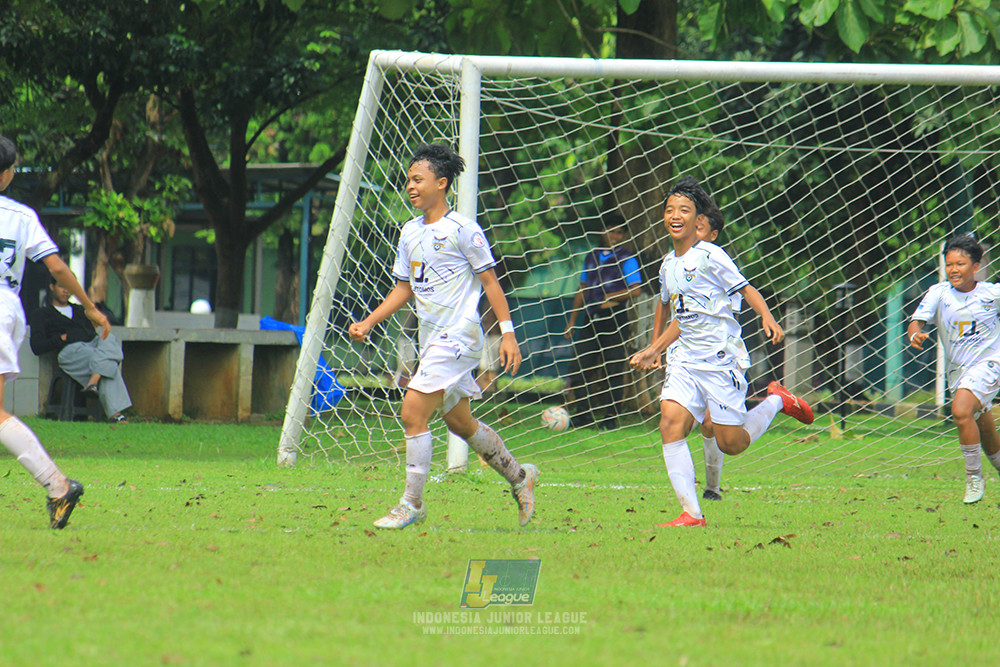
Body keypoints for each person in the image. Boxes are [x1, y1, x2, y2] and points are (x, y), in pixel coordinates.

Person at [349, 143, 538, 530]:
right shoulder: (409, 232)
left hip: (460, 336)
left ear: (442, 183)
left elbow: (491, 282)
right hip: (433, 340)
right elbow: (404, 288)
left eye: (418, 179)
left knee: (412, 412)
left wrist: (507, 334)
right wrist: (369, 322)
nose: (410, 186)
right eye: (408, 180)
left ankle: (411, 504)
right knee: (459, 423)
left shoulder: (464, 231)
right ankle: (521, 478)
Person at [631, 175, 813, 527]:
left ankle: (776, 400)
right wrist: (655, 348)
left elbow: (745, 288)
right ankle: (692, 513)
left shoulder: (711, 256)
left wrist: (767, 316)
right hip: (684, 359)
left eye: (684, 210)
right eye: (669, 209)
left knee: (731, 442)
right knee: (670, 423)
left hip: (719, 359)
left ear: (698, 219)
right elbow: (670, 310)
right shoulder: (667, 264)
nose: (675, 215)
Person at [0, 135, 110, 528]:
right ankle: (57, 485)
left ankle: (58, 484)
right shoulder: (20, 215)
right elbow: (57, 268)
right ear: (7, 173)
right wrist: (90, 305)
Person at [908, 234, 1000, 504]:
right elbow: (916, 322)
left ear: (975, 266)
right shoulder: (939, 293)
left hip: (990, 365)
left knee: (960, 411)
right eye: (949, 264)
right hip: (958, 372)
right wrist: (915, 333)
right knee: (984, 428)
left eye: (960, 264)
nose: (953, 270)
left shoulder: (991, 294)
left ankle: (973, 477)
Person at [563, 214, 643, 428]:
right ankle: (583, 414)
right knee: (579, 367)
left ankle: (610, 418)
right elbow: (582, 288)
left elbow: (636, 290)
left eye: (619, 233)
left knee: (614, 369)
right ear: (603, 231)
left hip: (614, 320)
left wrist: (611, 296)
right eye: (611, 231)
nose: (614, 236)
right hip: (591, 318)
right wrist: (572, 320)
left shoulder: (627, 259)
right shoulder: (592, 256)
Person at [30, 273, 132, 423]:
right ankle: (115, 414)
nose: (66, 291)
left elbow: (91, 334)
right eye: (62, 286)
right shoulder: (42, 313)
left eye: (69, 287)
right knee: (109, 362)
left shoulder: (80, 310)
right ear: (52, 287)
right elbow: (37, 346)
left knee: (109, 338)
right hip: (70, 351)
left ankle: (93, 381)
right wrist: (62, 338)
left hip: (91, 346)